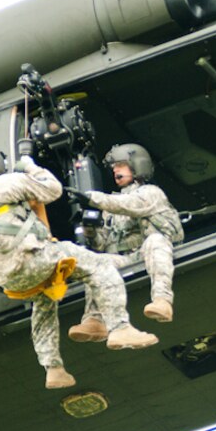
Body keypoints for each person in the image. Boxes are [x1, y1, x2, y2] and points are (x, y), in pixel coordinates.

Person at [0, 144, 158, 390]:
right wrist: (29, 166)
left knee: (43, 302)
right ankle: (119, 328)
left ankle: (53, 369)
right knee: (101, 265)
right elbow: (53, 189)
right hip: (35, 258)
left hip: (9, 278)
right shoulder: (5, 183)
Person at [65, 143, 183, 343]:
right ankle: (95, 320)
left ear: (137, 165)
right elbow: (101, 245)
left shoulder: (151, 193)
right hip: (127, 259)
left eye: (120, 165)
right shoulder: (110, 205)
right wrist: (90, 230)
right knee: (97, 262)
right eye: (113, 168)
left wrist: (92, 198)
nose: (115, 170)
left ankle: (162, 300)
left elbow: (130, 205)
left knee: (155, 240)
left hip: (151, 252)